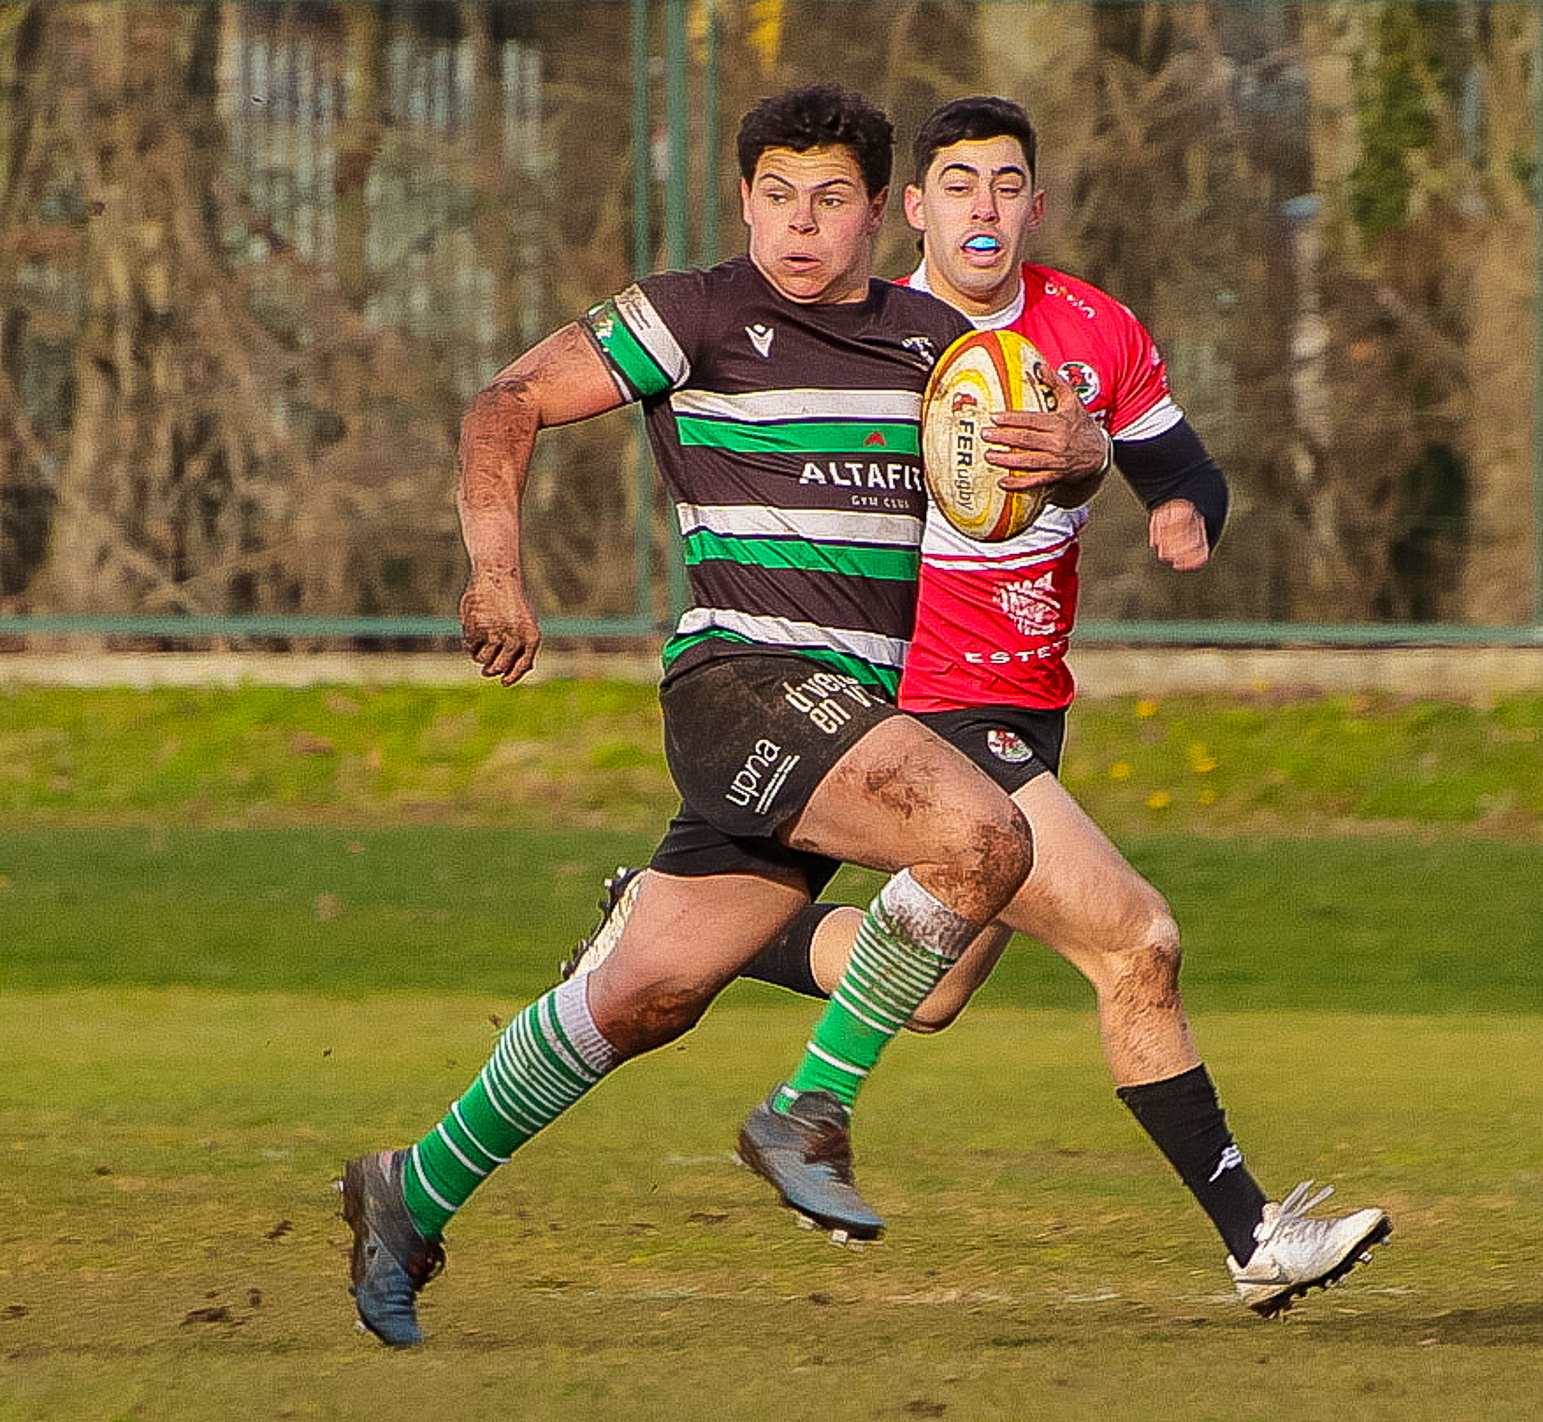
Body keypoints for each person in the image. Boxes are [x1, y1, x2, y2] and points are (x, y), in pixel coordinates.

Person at [564, 97, 1391, 1318]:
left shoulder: (1093, 330)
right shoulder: (893, 342)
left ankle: (678, 921)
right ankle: (1252, 1230)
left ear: (1036, 205)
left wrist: (1167, 501)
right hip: (936, 703)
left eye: (1007, 185)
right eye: (958, 185)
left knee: (935, 989)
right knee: (1136, 939)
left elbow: (1179, 461)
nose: (985, 209)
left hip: (1032, 696)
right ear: (914, 209)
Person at [337, 83, 1108, 1347]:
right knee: (982, 839)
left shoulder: (940, 345)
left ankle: (409, 1190)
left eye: (829, 201)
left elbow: (1062, 458)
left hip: (849, 715)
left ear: (877, 214)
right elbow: (508, 401)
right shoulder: (695, 313)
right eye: (773, 197)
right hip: (739, 683)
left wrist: (1077, 458)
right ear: (745, 199)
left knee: (646, 997)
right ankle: (808, 1107)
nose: (797, 226)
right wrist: (493, 568)